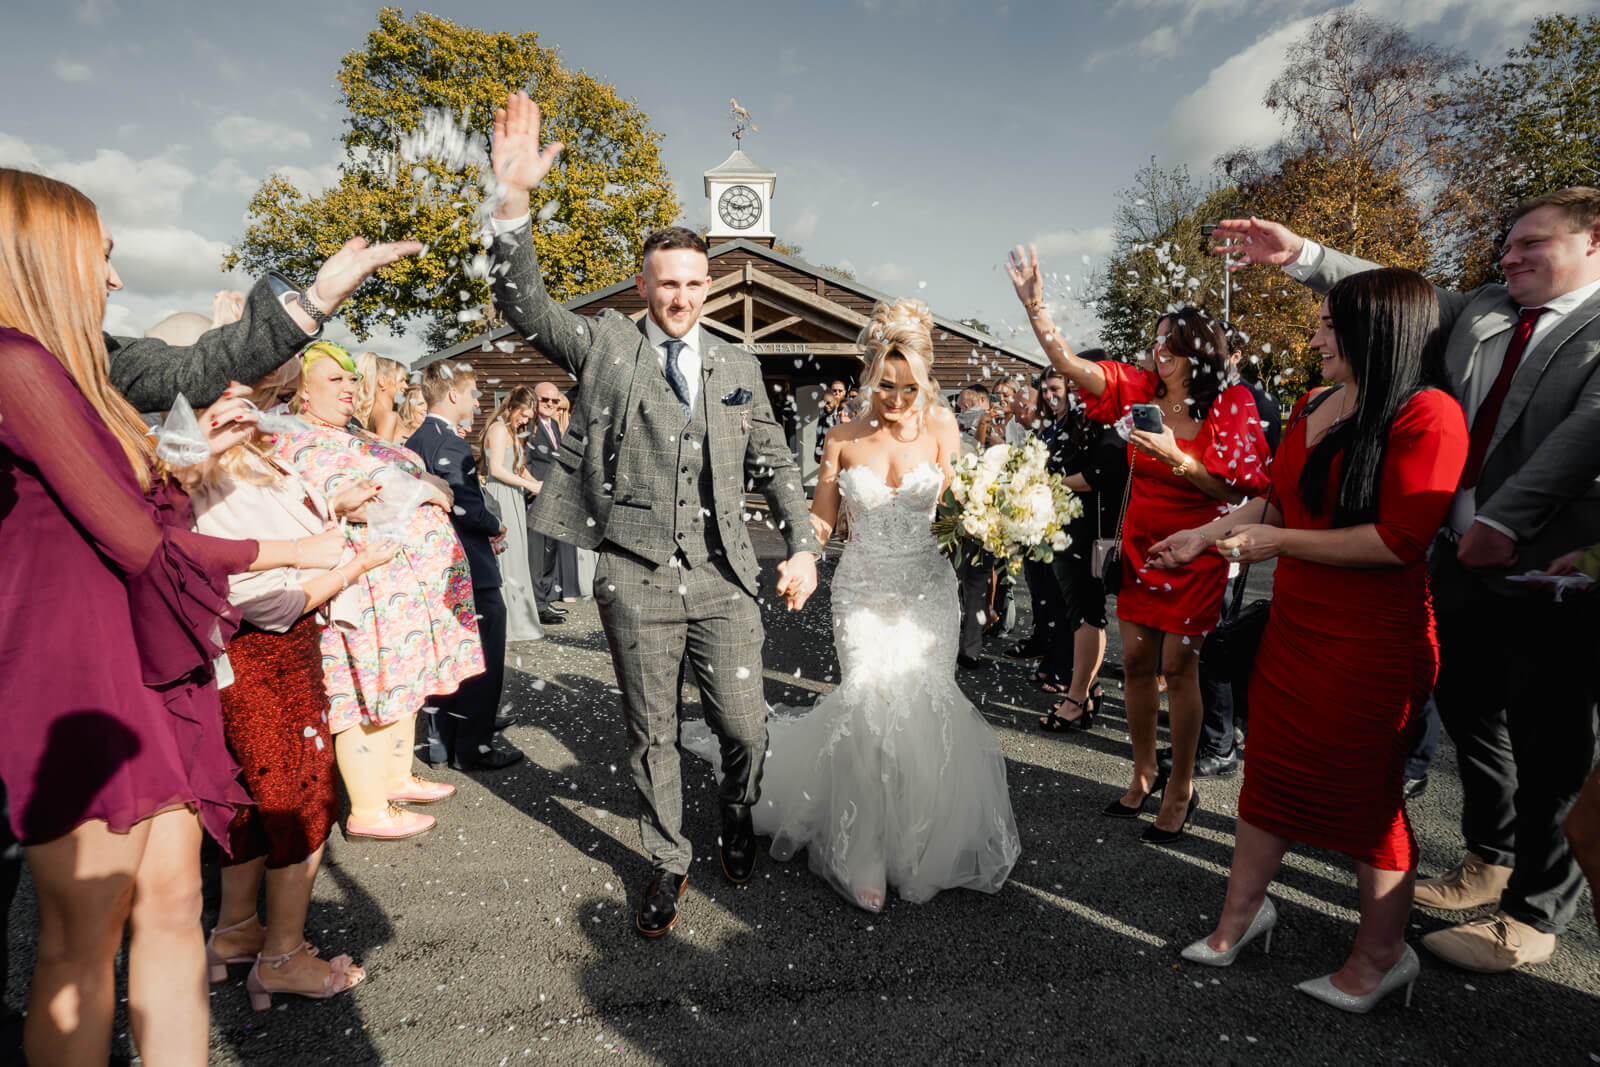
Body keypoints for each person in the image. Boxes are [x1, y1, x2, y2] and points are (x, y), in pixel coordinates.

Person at [0, 167, 348, 1066]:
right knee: (80, 945)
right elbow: (134, 539)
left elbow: (145, 501)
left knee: (171, 908)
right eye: (102, 256)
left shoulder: (78, 372)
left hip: (140, 663)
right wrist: (291, 550)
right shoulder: (15, 363)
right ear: (41, 257)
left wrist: (187, 465)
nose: (116, 278)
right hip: (76, 678)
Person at [1212, 187, 1600, 973]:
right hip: (1454, 562)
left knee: (1552, 741)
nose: (1508, 257)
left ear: (1594, 243)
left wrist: (1505, 520)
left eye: (1531, 243)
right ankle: (1489, 857)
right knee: (1473, 719)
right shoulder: (1487, 308)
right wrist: (1303, 256)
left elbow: (1583, 436)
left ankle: (1533, 911)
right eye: (1507, 243)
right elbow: (1399, 302)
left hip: (1550, 567)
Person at [486, 90, 820, 938]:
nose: (680, 297)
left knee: (744, 725)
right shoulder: (607, 344)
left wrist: (804, 545)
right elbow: (526, 307)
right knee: (652, 731)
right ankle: (668, 858)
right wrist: (512, 202)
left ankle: (736, 806)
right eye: (666, 283)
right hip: (632, 574)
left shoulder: (737, 363)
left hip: (723, 576)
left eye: (693, 283)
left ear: (710, 284)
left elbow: (777, 461)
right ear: (644, 284)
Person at [1152, 269, 1468, 1012]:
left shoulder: (1430, 414)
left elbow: (1399, 540)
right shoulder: (1312, 403)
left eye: (1329, 324)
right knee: (1268, 780)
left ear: (1378, 331)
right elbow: (1275, 500)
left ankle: (1381, 956)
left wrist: (1279, 543)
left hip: (1373, 642)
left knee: (1367, 801)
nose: (1315, 335)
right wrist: (1202, 535)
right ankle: (1239, 919)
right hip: (1295, 631)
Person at [692, 299, 1021, 912]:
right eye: (886, 385)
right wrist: (802, 558)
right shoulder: (842, 438)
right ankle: (861, 848)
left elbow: (962, 508)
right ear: (870, 375)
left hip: (926, 590)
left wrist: (998, 522)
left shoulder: (944, 428)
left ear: (925, 382)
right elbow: (820, 521)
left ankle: (916, 846)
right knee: (870, 710)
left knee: (924, 708)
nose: (896, 399)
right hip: (863, 588)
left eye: (909, 387)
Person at [1007, 243, 1270, 845]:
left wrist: (1177, 457)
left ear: (1198, 352)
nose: (1159, 351)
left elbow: (1233, 489)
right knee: (1136, 665)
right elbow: (1070, 365)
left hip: (1197, 546)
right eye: (1156, 342)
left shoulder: (1231, 403)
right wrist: (1036, 309)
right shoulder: (1142, 389)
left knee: (1179, 667)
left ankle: (1181, 786)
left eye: (1170, 344)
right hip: (1141, 545)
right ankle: (1144, 771)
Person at [182, 376, 399, 1010]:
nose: (273, 406)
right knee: (300, 799)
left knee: (252, 798)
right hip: (268, 661)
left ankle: (234, 931)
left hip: (263, 660)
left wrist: (335, 505)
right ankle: (281, 958)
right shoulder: (218, 473)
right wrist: (351, 567)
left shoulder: (241, 461)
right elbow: (269, 603)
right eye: (266, 395)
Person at [273, 341, 482, 835]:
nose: (349, 387)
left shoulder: (351, 433)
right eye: (335, 379)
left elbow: (403, 476)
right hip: (366, 589)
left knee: (404, 684)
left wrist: (422, 484)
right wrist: (427, 489)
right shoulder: (300, 439)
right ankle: (368, 810)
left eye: (351, 378)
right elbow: (358, 501)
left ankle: (395, 777)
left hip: (401, 592)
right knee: (368, 692)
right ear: (303, 390)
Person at [407, 361, 525, 772]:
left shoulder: (416, 439)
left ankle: (441, 745)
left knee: (447, 658)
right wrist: (496, 525)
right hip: (468, 566)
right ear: (453, 393)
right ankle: (473, 747)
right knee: (481, 659)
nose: (477, 403)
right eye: (473, 394)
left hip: (437, 566)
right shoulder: (451, 444)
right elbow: (466, 507)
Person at [1033, 362, 1127, 732]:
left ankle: (1076, 700)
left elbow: (1099, 476)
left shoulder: (1104, 423)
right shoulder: (1062, 424)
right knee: (1073, 612)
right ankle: (1089, 687)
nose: (1052, 395)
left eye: (1061, 387)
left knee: (1087, 613)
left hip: (1087, 531)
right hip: (1063, 529)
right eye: (1047, 389)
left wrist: (1045, 483)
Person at [479, 386, 547, 641]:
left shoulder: (513, 432)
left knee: (518, 556)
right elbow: (496, 469)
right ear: (512, 407)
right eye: (523, 415)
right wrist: (530, 486)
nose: (525, 421)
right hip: (501, 497)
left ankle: (522, 619)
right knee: (508, 557)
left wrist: (537, 484)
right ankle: (508, 624)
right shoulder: (498, 430)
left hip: (515, 496)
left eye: (529, 418)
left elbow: (518, 468)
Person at [523, 381, 578, 621]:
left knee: (550, 552)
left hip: (555, 497)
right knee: (537, 554)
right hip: (536, 496)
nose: (550, 404)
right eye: (544, 399)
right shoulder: (529, 425)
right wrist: (533, 487)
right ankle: (537, 606)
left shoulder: (554, 425)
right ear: (534, 400)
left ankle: (546, 601)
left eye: (554, 400)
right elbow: (524, 462)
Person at [952, 384, 998, 670]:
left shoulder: (962, 437)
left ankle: (954, 644)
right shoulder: (1001, 435)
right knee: (977, 585)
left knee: (956, 581)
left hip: (968, 517)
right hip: (986, 519)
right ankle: (971, 649)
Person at [354, 351, 408, 442]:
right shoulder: (388, 416)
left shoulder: (375, 415)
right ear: (382, 381)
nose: (406, 386)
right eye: (401, 380)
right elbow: (382, 450)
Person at [812, 378, 847, 466]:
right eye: (834, 390)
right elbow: (820, 432)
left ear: (844, 392)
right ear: (831, 391)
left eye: (840, 391)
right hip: (829, 451)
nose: (837, 393)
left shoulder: (849, 407)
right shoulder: (826, 408)